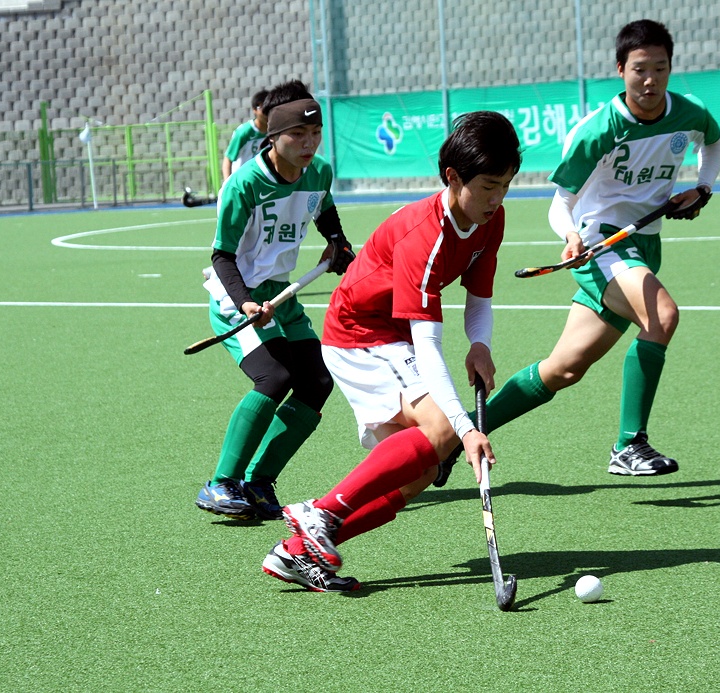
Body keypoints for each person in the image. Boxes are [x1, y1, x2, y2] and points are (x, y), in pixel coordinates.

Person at [436, 19, 720, 486]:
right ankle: (629, 445)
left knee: (563, 369)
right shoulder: (598, 130)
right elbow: (560, 203)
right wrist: (571, 236)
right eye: (639, 70)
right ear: (620, 70)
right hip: (601, 242)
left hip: (643, 245)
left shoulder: (690, 113)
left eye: (660, 68)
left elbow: (712, 143)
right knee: (662, 316)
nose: (650, 80)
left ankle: (454, 438)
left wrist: (703, 188)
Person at [260, 111, 523, 592]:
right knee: (443, 429)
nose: (497, 198)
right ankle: (320, 514)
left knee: (420, 473)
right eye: (488, 186)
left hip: (393, 333)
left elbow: (479, 298)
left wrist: (480, 345)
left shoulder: (491, 219)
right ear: (452, 177)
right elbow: (428, 345)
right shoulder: (425, 235)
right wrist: (466, 430)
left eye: (505, 185)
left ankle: (296, 552)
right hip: (360, 333)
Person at [195, 80, 356, 521]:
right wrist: (245, 303)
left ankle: (259, 481)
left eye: (315, 134)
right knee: (274, 377)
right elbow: (222, 256)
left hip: (281, 295)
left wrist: (338, 243)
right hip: (236, 295)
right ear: (273, 137)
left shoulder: (318, 172)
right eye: (297, 136)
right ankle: (221, 482)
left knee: (317, 382)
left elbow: (324, 209)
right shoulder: (244, 184)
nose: (308, 144)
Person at [221, 89, 269, 183]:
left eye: (269, 108)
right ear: (254, 110)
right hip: (243, 182)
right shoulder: (244, 132)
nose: (266, 113)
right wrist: (228, 184)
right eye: (263, 108)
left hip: (263, 181)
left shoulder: (274, 131)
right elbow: (228, 159)